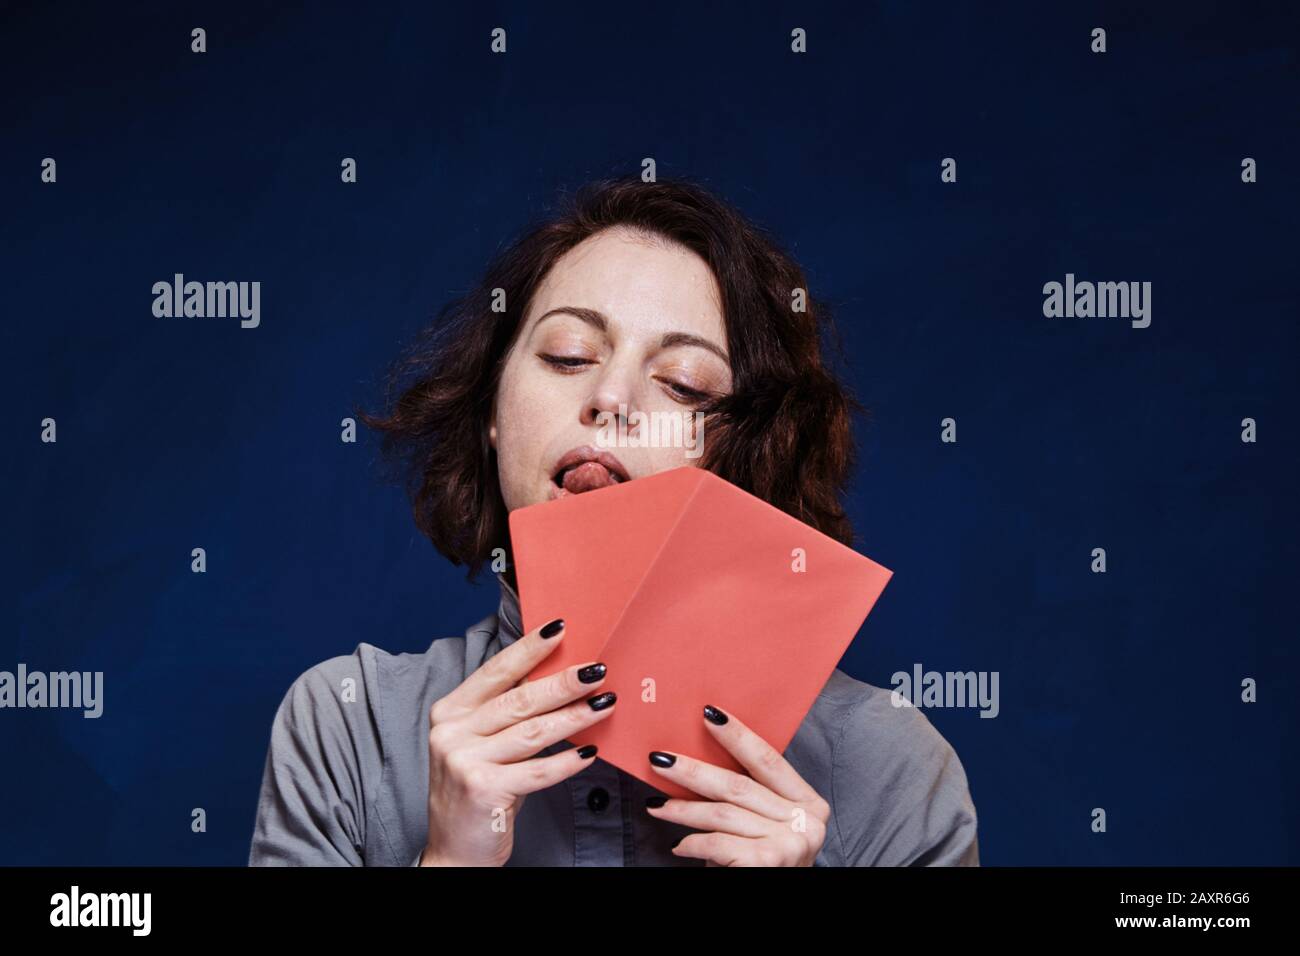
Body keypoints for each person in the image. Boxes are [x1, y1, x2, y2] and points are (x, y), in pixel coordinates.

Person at [247, 175, 979, 866]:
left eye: (683, 383)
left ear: (746, 451)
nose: (611, 397)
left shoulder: (893, 767)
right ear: (494, 412)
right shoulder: (346, 726)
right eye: (568, 356)